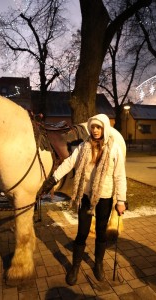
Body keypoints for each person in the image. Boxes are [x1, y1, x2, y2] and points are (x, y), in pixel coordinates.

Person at [40, 114, 127, 285]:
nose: (95, 130)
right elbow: (68, 163)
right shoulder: (83, 147)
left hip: (105, 196)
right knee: (82, 233)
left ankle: (99, 264)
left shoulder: (114, 149)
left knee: (101, 232)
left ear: (104, 129)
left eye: (98, 127)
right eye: (93, 127)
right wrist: (52, 179)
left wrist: (121, 200)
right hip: (86, 195)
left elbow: (120, 176)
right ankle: (75, 267)